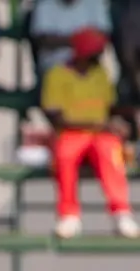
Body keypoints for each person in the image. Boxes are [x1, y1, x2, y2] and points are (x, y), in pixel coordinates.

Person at [42, 28, 137, 239]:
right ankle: (69, 215)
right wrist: (99, 125)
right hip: (71, 133)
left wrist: (122, 122)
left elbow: (111, 108)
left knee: (111, 153)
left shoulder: (100, 74)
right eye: (95, 51)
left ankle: (121, 212)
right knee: (65, 155)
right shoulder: (57, 74)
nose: (99, 55)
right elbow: (56, 118)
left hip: (101, 135)